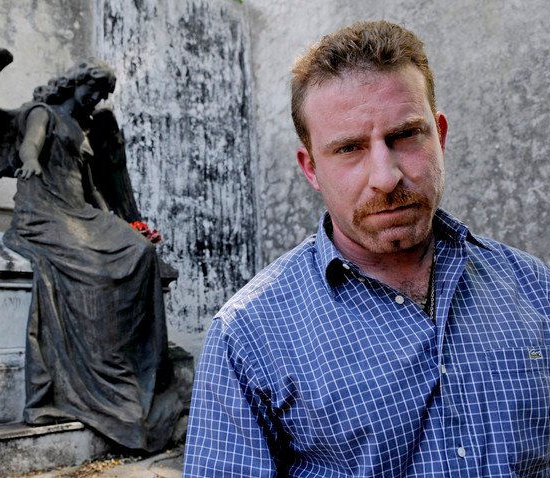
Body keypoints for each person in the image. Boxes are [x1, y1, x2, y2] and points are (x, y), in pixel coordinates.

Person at [184, 20, 550, 476]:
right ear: (311, 168)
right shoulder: (249, 337)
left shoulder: (533, 287)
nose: (386, 176)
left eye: (405, 136)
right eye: (350, 148)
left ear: (440, 136)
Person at [3, 61, 181, 453]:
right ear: (76, 83)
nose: (99, 99)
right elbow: (30, 144)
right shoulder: (42, 113)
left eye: (103, 93)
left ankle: (135, 367)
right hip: (44, 209)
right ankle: (100, 371)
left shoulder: (85, 131)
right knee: (96, 269)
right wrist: (30, 159)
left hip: (79, 211)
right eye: (95, 89)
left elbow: (93, 188)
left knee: (140, 252)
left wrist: (121, 224)